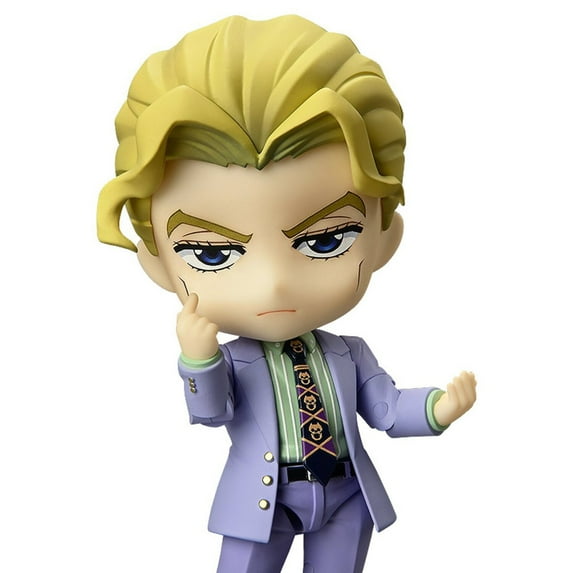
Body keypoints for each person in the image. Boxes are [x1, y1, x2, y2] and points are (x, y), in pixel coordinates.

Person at [97, 15, 476, 573]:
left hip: (346, 495)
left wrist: (439, 408)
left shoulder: (351, 353)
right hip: (262, 505)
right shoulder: (234, 360)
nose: (274, 281)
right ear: (156, 261)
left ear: (384, 238)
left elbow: (387, 409)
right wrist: (199, 360)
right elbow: (212, 413)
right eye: (211, 253)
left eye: (325, 240)